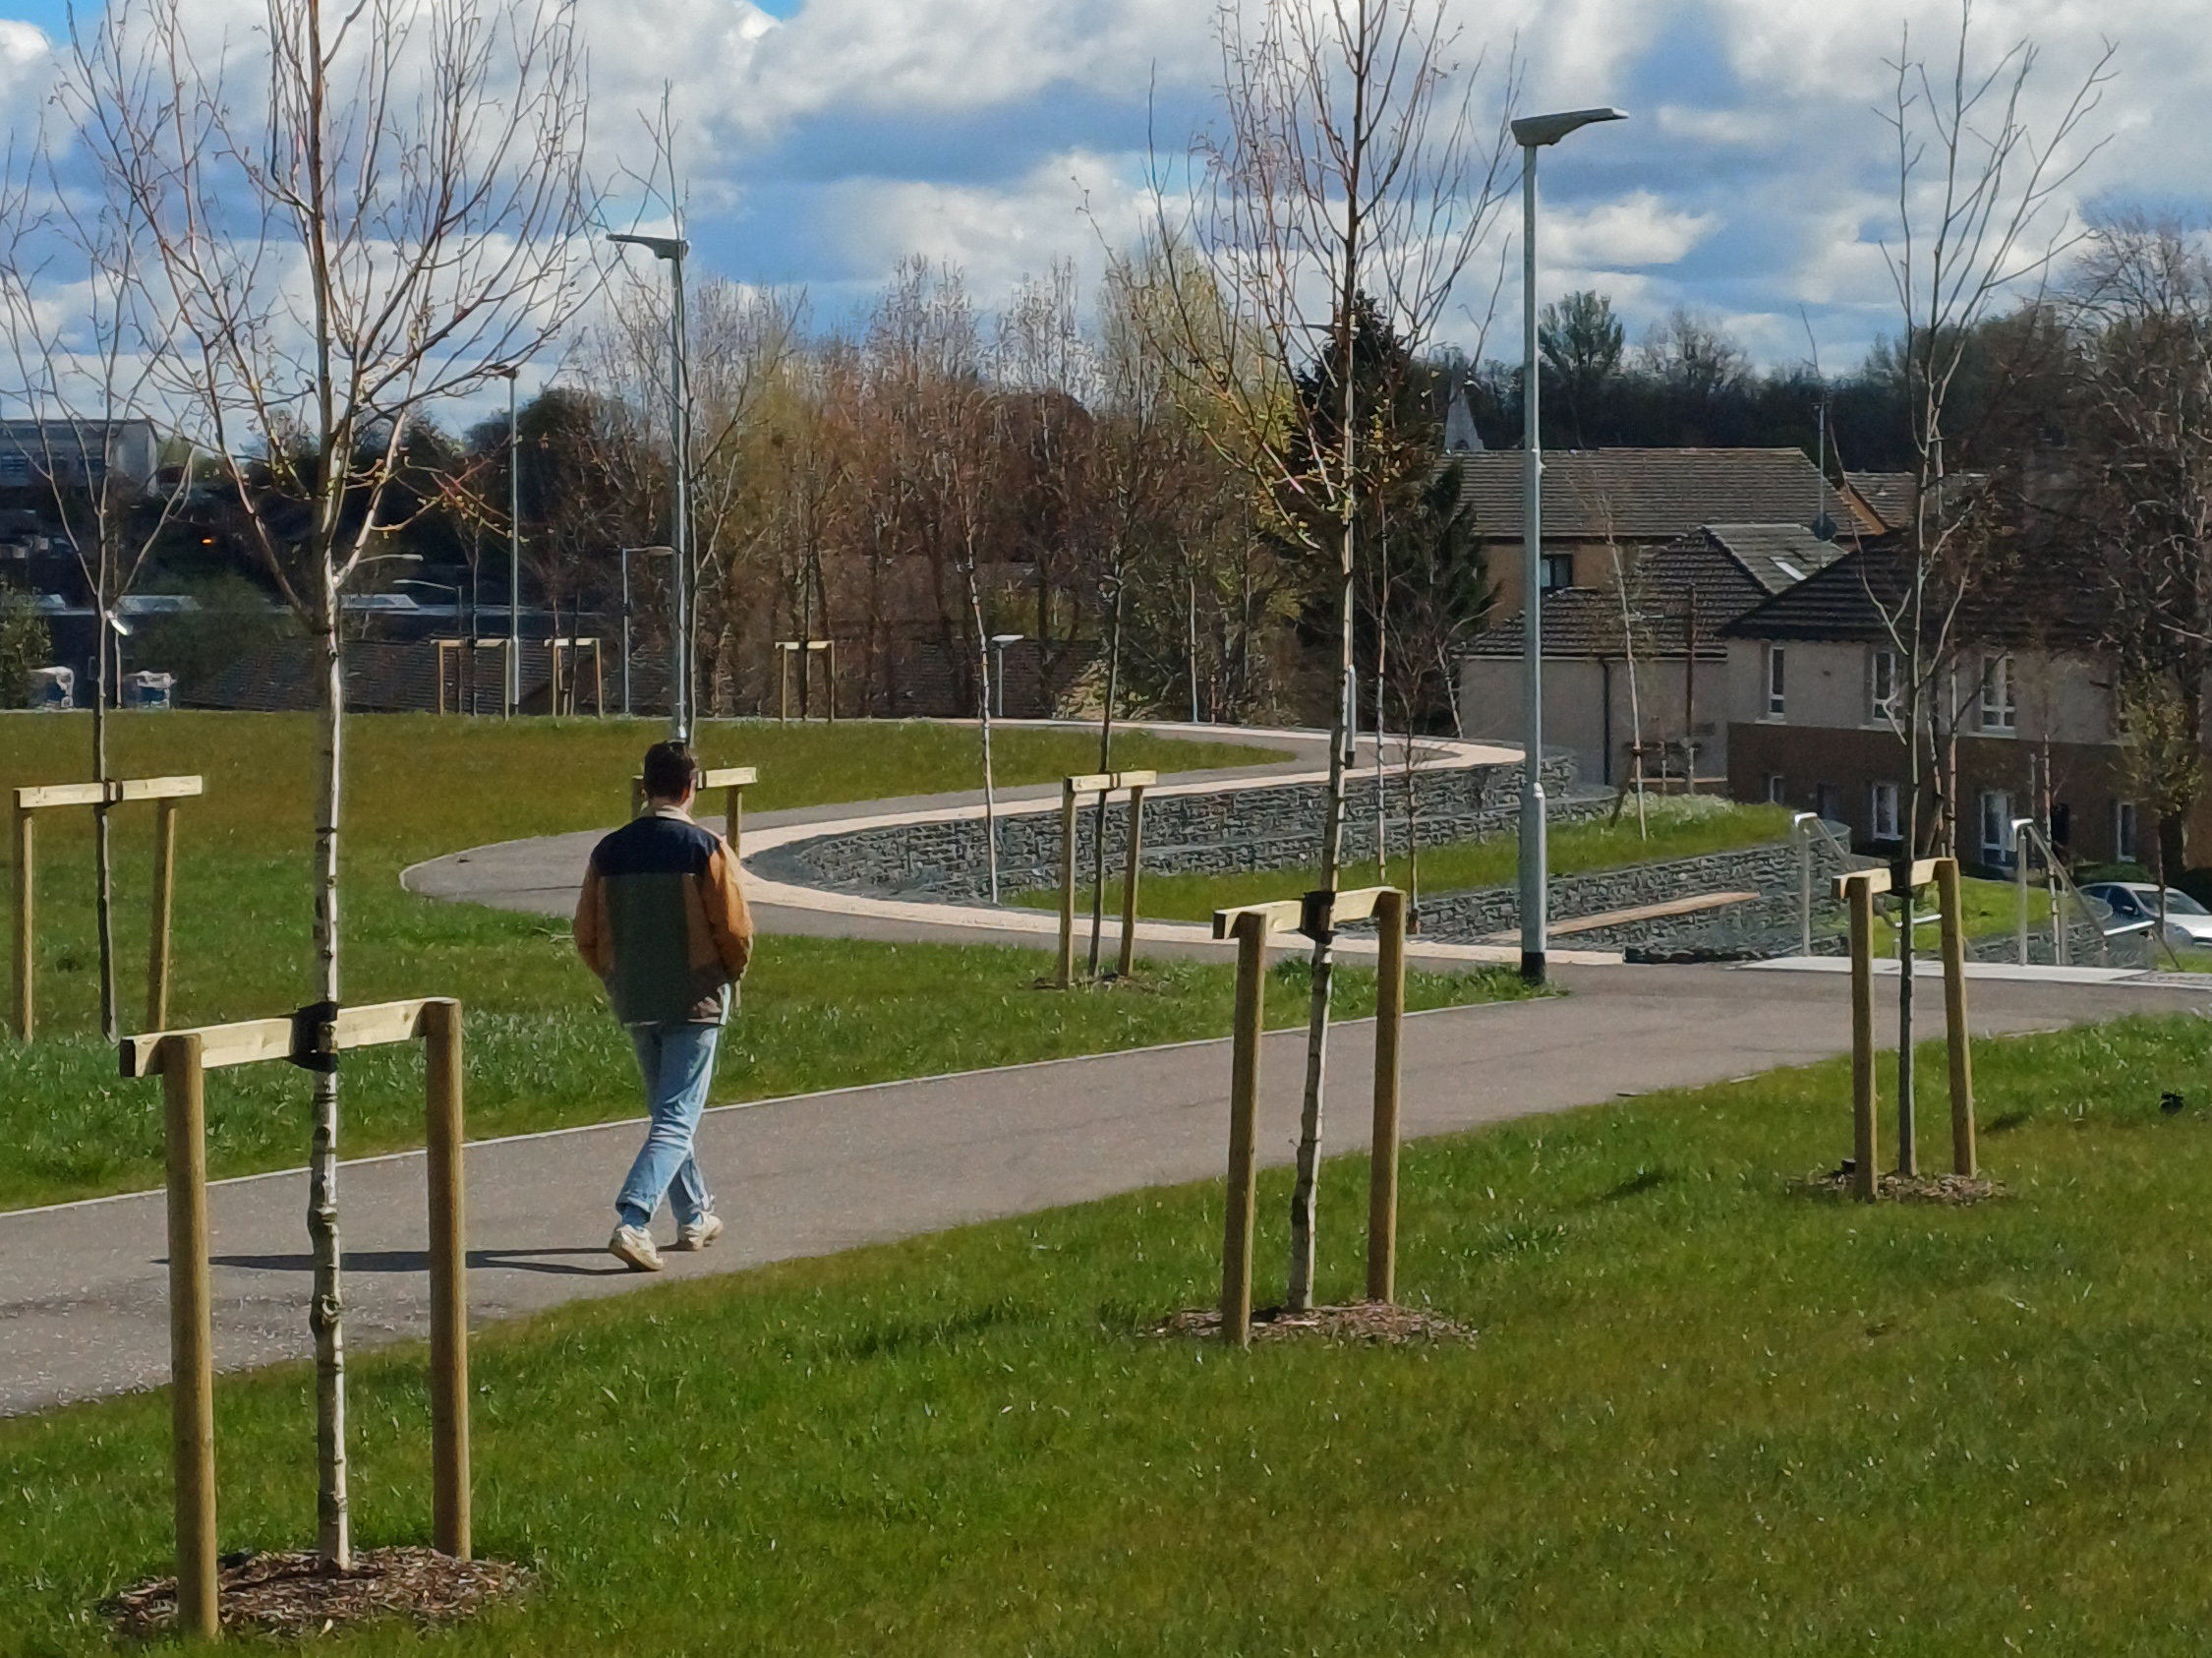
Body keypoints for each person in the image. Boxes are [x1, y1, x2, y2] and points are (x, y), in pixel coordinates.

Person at [573, 740, 753, 1272]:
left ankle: (695, 1212)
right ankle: (633, 1218)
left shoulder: (607, 852)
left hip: (635, 996)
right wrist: (727, 973)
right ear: (690, 787)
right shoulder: (706, 848)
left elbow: (586, 932)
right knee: (677, 1117)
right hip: (694, 997)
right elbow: (735, 929)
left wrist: (614, 973)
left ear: (646, 785)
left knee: (666, 1114)